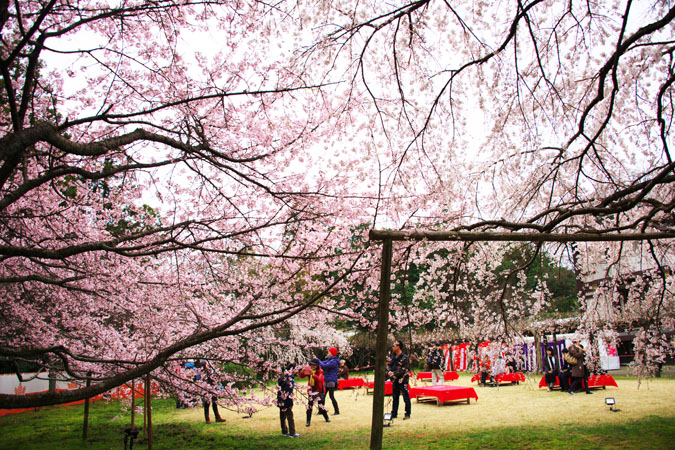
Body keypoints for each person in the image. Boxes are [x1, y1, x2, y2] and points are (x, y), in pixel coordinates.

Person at [298, 358, 331, 426]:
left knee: (321, 406)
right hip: (311, 390)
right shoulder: (309, 370)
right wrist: (302, 371)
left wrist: (313, 374)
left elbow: (319, 379)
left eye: (314, 365)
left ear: (317, 365)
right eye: (311, 365)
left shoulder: (320, 371)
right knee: (310, 406)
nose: (312, 366)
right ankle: (308, 421)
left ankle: (326, 417)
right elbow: (301, 376)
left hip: (319, 390)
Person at [194, 359, 225, 424]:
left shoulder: (210, 370)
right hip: (206, 388)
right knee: (207, 404)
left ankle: (217, 417)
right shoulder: (200, 372)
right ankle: (207, 419)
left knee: (214, 402)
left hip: (213, 388)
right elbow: (199, 380)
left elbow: (215, 378)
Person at [387, 340, 411, 420]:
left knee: (405, 396)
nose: (393, 347)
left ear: (398, 347)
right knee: (395, 396)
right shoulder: (393, 357)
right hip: (394, 380)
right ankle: (394, 413)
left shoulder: (405, 357)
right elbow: (389, 365)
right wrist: (389, 372)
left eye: (394, 346)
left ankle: (407, 413)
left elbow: (405, 369)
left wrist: (395, 373)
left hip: (402, 379)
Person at [277, 364, 300, 438]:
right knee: (289, 415)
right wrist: (290, 403)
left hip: (280, 398)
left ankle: (284, 431)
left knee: (282, 415)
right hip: (286, 399)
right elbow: (289, 391)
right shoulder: (289, 380)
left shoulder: (282, 378)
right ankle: (292, 432)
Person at [319, 347, 340, 415]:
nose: (328, 353)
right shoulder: (330, 360)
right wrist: (317, 360)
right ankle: (321, 410)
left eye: (329, 352)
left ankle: (337, 411)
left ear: (332, 353)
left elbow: (324, 366)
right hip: (327, 379)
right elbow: (322, 363)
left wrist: (317, 360)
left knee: (331, 396)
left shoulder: (333, 362)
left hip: (331, 380)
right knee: (323, 395)